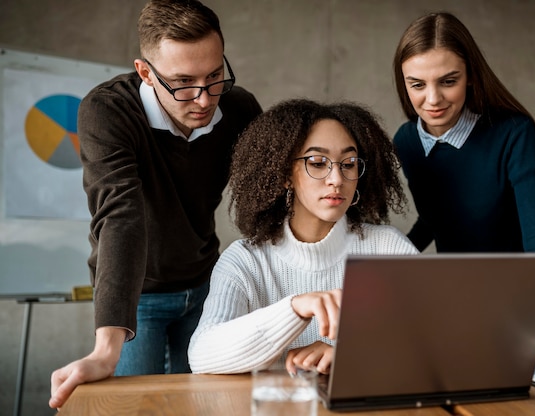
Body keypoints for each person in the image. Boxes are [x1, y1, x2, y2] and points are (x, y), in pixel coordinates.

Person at [49, 0, 262, 408]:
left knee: (205, 406)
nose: (203, 98)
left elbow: (270, 198)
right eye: (183, 82)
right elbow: (120, 216)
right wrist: (105, 348)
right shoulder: (107, 110)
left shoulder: (239, 109)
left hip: (206, 286)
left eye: (215, 75)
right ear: (145, 72)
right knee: (134, 408)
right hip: (137, 297)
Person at [392, 12, 535, 360]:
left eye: (448, 81)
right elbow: (435, 218)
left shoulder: (513, 133)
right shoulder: (407, 142)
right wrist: (381, 267)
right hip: (454, 307)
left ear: (470, 76)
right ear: (404, 83)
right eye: (417, 84)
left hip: (520, 311)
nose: (433, 99)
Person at [187, 98, 418, 375]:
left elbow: (439, 341)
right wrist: (294, 309)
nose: (337, 178)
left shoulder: (387, 249)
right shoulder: (245, 260)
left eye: (349, 163)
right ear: (285, 174)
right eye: (318, 163)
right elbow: (202, 355)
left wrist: (350, 356)